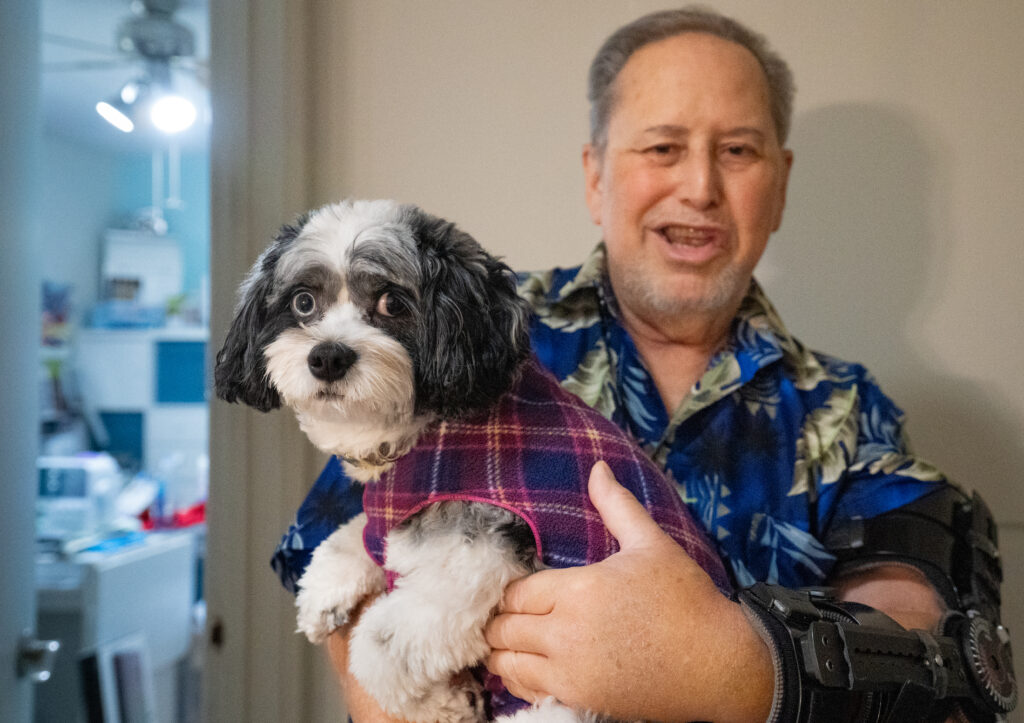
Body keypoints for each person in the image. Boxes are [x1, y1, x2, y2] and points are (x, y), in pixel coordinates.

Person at [272, 7, 1013, 722]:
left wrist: (735, 668)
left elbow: (919, 646)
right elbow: (344, 558)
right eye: (662, 147)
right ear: (596, 174)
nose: (699, 186)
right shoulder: (457, 331)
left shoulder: (848, 411)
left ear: (780, 183)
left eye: (738, 150)